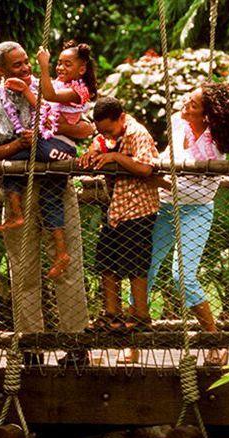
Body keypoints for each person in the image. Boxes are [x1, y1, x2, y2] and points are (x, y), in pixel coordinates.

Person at [0, 41, 93, 366]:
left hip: (57, 188)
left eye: (27, 63)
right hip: (19, 195)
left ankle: (75, 344)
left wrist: (58, 132)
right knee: (23, 271)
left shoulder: (49, 88)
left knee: (68, 265)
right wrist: (17, 143)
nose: (26, 69)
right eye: (17, 66)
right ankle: (31, 346)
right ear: (1, 71)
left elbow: (84, 127)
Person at [147, 83, 229, 366]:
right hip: (165, 207)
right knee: (145, 268)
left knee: (182, 276)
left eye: (192, 104)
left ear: (207, 115)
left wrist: (160, 181)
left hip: (196, 211)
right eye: (187, 100)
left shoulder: (215, 146)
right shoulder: (178, 126)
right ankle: (134, 341)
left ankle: (214, 340)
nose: (185, 105)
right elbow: (165, 158)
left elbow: (202, 192)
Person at [0, 41, 97, 280]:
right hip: (48, 146)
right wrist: (26, 90)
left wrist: (44, 65)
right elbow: (44, 107)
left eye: (66, 63)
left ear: (81, 69)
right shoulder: (60, 83)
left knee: (23, 150)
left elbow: (49, 97)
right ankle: (59, 251)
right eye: (58, 63)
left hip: (59, 149)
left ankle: (18, 212)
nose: (60, 67)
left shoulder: (79, 90)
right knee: (50, 200)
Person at [79, 96, 159, 338]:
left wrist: (115, 158)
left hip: (138, 209)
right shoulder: (110, 134)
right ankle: (112, 315)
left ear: (121, 117)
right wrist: (94, 149)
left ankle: (140, 317)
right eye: (102, 131)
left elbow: (145, 167)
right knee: (106, 261)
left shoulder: (137, 133)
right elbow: (100, 141)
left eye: (109, 129)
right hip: (116, 211)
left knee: (136, 265)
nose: (106, 135)